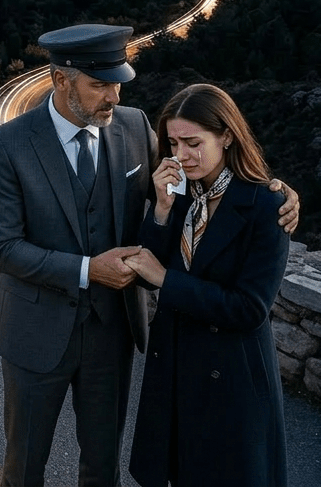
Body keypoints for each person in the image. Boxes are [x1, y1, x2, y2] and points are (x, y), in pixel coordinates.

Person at [0, 24, 298, 487]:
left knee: (102, 465)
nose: (114, 96)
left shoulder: (133, 126)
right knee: (24, 465)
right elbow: (3, 248)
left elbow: (188, 186)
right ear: (61, 80)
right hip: (34, 332)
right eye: (100, 85)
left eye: (118, 83)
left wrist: (280, 191)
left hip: (113, 331)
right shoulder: (7, 144)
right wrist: (89, 270)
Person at [123, 83, 290, 487]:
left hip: (231, 376)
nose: (181, 155)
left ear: (227, 136)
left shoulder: (267, 206)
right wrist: (161, 209)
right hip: (174, 365)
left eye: (193, 143)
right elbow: (147, 264)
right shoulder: (179, 192)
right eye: (173, 143)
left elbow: (249, 309)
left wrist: (167, 280)